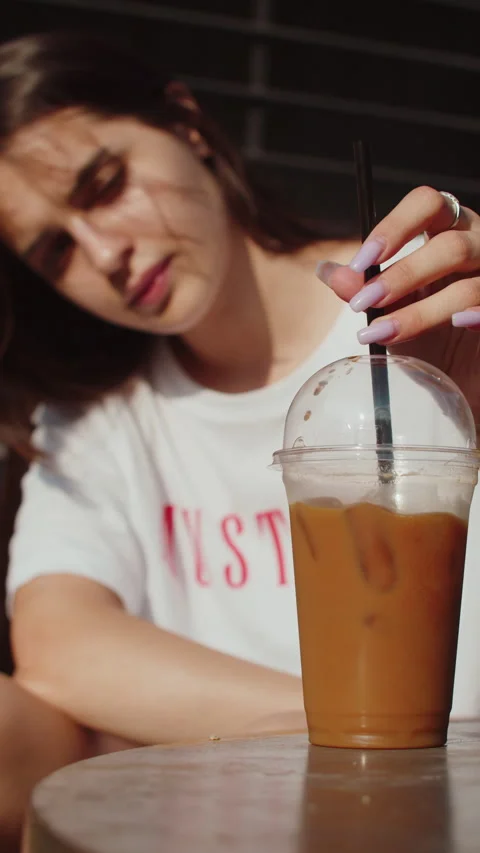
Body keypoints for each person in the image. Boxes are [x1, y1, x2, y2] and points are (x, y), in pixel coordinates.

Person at [0, 28, 480, 845]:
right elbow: (57, 643)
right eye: (54, 250)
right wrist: (360, 731)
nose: (105, 252)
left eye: (105, 184)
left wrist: (145, 722)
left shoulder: (426, 318)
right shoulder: (101, 413)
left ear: (187, 125)